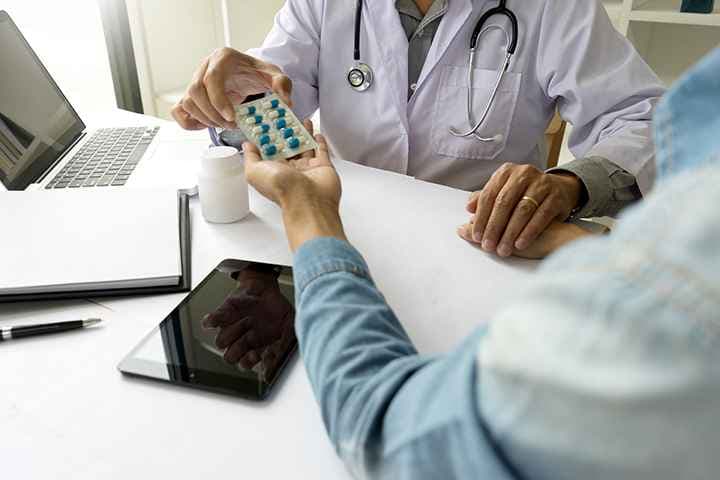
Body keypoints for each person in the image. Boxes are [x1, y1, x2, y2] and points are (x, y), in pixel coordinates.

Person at [218, 46, 719, 478]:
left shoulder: (673, 295)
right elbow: (264, 96)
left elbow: (387, 429)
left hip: (472, 251)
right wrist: (230, 94)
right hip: (450, 241)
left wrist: (307, 207)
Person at [172, 0, 665, 258]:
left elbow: (643, 117)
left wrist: (568, 185)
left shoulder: (556, 8)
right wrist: (236, 99)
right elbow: (273, 98)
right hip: (345, 227)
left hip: (487, 242)